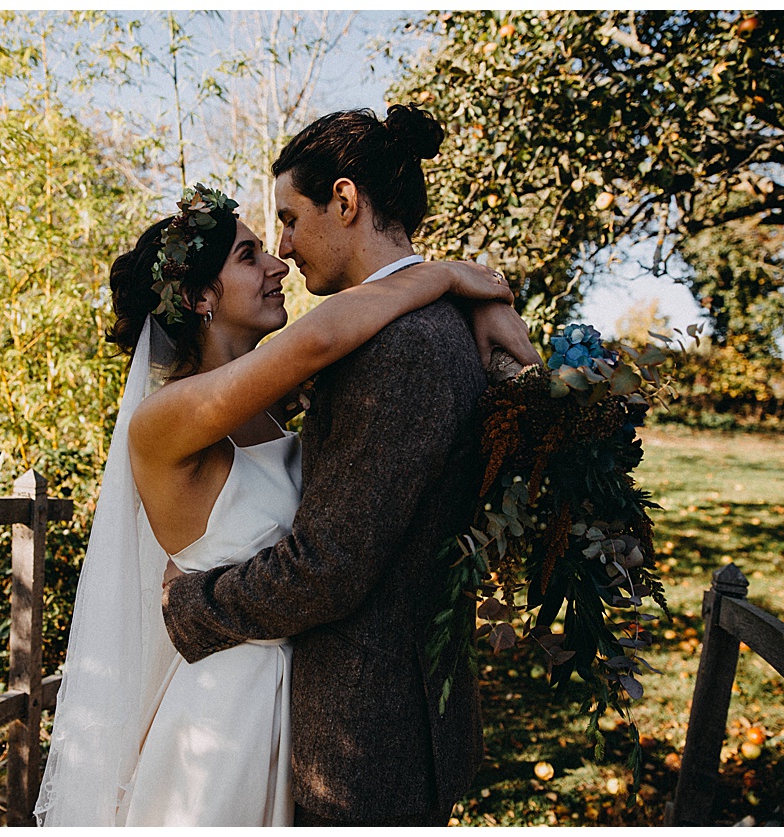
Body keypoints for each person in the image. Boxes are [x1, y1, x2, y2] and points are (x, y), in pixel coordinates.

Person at [33, 181, 536, 826]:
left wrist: (483, 309)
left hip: (307, 700)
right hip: (226, 717)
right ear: (199, 299)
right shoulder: (166, 419)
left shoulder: (272, 405)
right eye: (248, 257)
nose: (278, 263)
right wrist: (456, 278)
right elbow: (321, 339)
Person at [160, 104, 510, 826]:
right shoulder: (401, 330)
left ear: (345, 201)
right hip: (359, 716)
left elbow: (327, 563)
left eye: (287, 219)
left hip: (368, 732)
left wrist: (193, 605)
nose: (283, 249)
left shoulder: (402, 349)